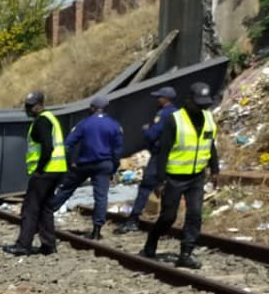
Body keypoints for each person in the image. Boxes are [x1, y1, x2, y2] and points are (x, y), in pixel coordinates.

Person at [139, 81, 219, 269]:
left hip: (197, 176)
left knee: (195, 215)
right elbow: (163, 151)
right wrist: (160, 180)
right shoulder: (175, 119)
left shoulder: (208, 118)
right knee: (168, 217)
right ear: (189, 101)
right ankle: (151, 243)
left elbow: (211, 145)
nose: (201, 107)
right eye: (198, 103)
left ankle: (186, 253)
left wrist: (215, 169)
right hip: (174, 177)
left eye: (204, 104)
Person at [46, 94, 122, 239]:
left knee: (66, 188)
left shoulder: (84, 123)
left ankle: (47, 214)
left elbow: (68, 144)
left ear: (93, 108)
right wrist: (113, 167)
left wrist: (69, 163)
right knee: (101, 196)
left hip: (84, 163)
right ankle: (97, 230)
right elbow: (117, 150)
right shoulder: (114, 125)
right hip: (105, 164)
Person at [3, 90, 68, 256]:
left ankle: (23, 244)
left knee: (30, 209)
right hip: (56, 170)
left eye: (30, 106)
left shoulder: (42, 121)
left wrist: (40, 168)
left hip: (45, 172)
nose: (27, 109)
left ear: (39, 105)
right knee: (46, 208)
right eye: (26, 106)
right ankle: (48, 245)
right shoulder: (51, 118)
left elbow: (48, 146)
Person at [115, 85, 178, 234]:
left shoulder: (163, 114)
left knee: (145, 187)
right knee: (169, 189)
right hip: (174, 156)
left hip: (158, 156)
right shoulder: (178, 113)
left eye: (159, 97)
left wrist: (146, 129)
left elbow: (152, 134)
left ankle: (133, 219)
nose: (157, 100)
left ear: (164, 99)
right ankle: (166, 222)